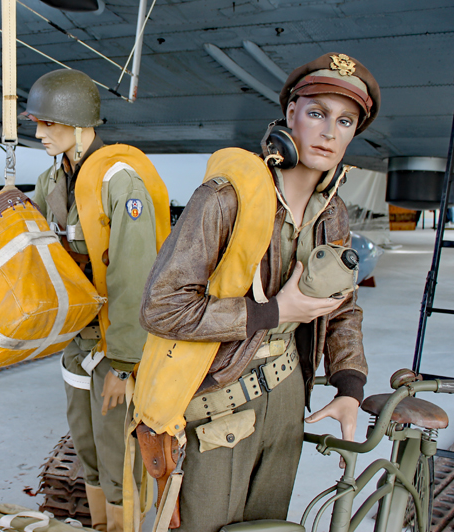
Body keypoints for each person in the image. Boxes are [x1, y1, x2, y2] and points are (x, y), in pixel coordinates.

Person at [137, 53, 379, 531]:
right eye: (317, 113)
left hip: (288, 396)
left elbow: (343, 306)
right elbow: (162, 307)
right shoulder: (225, 198)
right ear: (291, 114)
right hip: (219, 399)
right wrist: (273, 312)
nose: (329, 133)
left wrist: (349, 385)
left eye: (345, 121)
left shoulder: (332, 213)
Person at [25, 69, 163, 532]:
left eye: (48, 123)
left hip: (114, 344)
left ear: (78, 122)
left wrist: (124, 364)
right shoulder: (52, 180)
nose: (39, 134)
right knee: (87, 448)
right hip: (77, 340)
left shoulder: (119, 182)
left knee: (117, 454)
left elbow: (133, 275)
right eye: (38, 123)